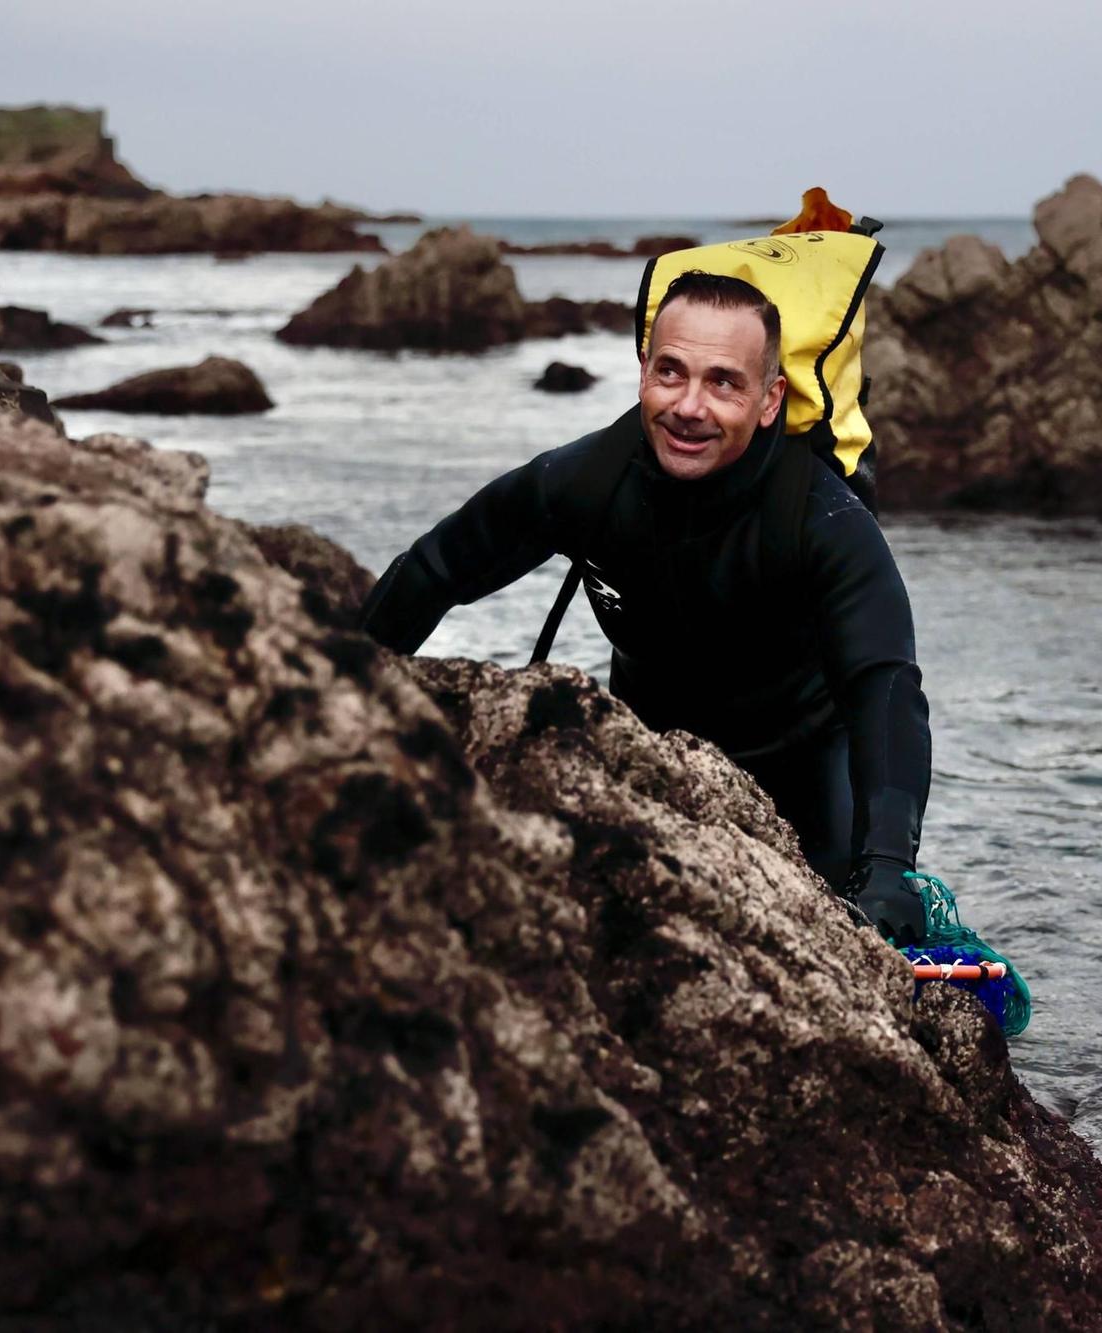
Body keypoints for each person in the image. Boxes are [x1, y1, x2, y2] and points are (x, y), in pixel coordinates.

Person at [359, 272, 931, 944]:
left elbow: (885, 688)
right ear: (642, 373)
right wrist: (332, 696)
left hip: (806, 780)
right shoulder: (585, 481)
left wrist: (888, 865)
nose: (689, 406)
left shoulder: (823, 522)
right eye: (671, 372)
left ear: (771, 399)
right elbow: (434, 569)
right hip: (650, 760)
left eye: (723, 381)